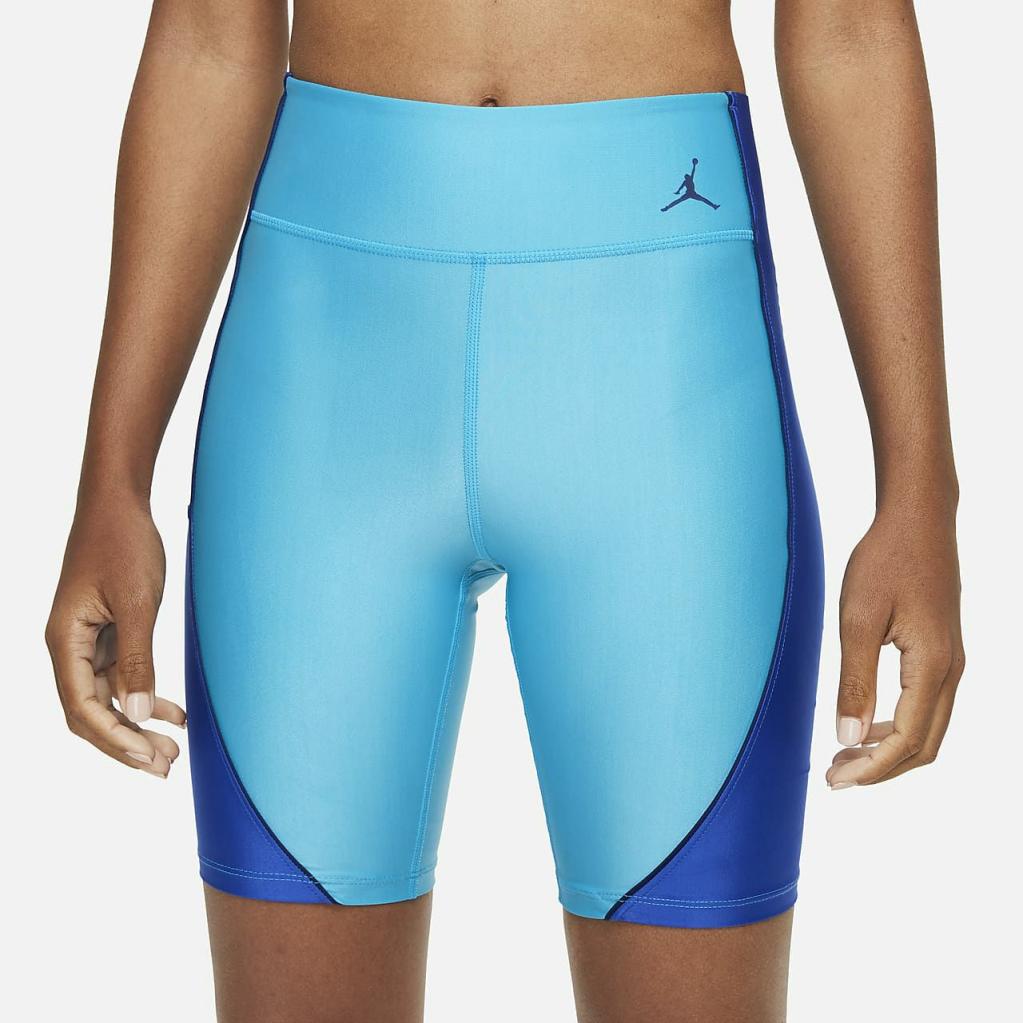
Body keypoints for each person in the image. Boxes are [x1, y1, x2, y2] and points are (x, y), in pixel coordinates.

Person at [44, 2, 965, 1020]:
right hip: (321, 381)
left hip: (663, 375)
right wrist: (111, 479)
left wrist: (920, 492)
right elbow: (211, 36)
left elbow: (849, 31)